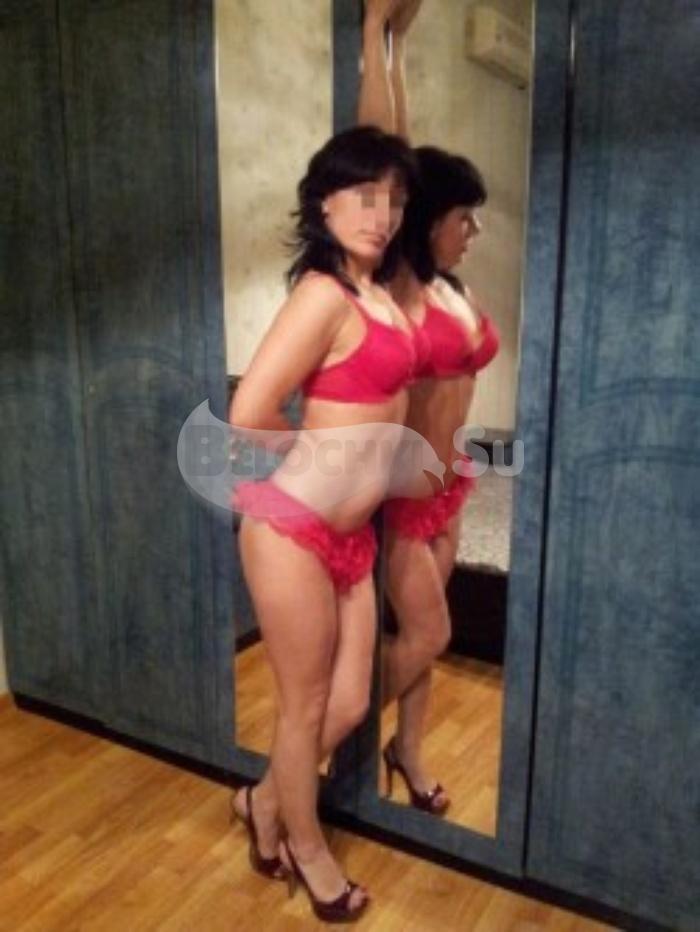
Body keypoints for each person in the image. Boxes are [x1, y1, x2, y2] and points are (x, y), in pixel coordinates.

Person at [228, 125, 417, 922]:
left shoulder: (384, 295)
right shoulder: (322, 294)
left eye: (395, 199)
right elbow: (249, 411)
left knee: (346, 706)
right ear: (323, 203)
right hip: (293, 530)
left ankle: (263, 801)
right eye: (363, 195)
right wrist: (316, 453)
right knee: (304, 708)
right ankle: (305, 850)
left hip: (352, 540)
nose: (382, 214)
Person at [359, 0, 500, 815]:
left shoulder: (454, 290)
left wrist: (400, 40)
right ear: (427, 219)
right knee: (429, 633)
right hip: (404, 499)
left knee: (427, 633)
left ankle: (406, 750)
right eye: (463, 216)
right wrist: (379, 37)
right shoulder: (404, 286)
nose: (473, 228)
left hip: (449, 486)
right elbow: (389, 156)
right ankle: (334, 738)